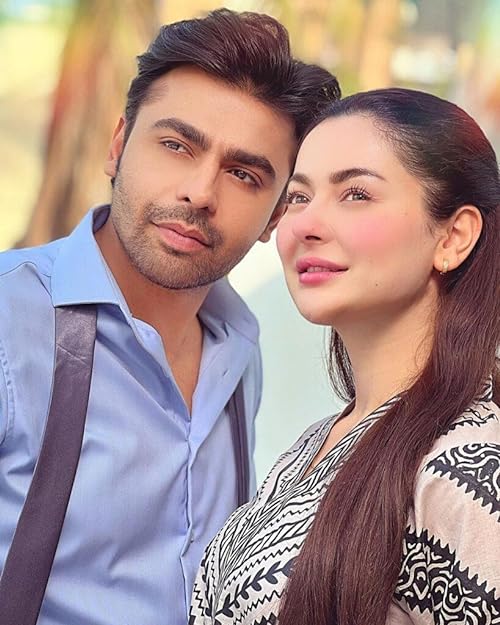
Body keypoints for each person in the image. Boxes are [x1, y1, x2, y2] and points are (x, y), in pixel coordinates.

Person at [0, 9, 340, 625]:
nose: (200, 193)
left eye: (243, 174)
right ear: (118, 145)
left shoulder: (239, 354)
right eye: (177, 145)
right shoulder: (10, 321)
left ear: (275, 217)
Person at [189, 88, 500, 625]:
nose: (306, 224)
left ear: (453, 236)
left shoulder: (468, 467)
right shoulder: (314, 444)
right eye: (298, 197)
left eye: (356, 194)